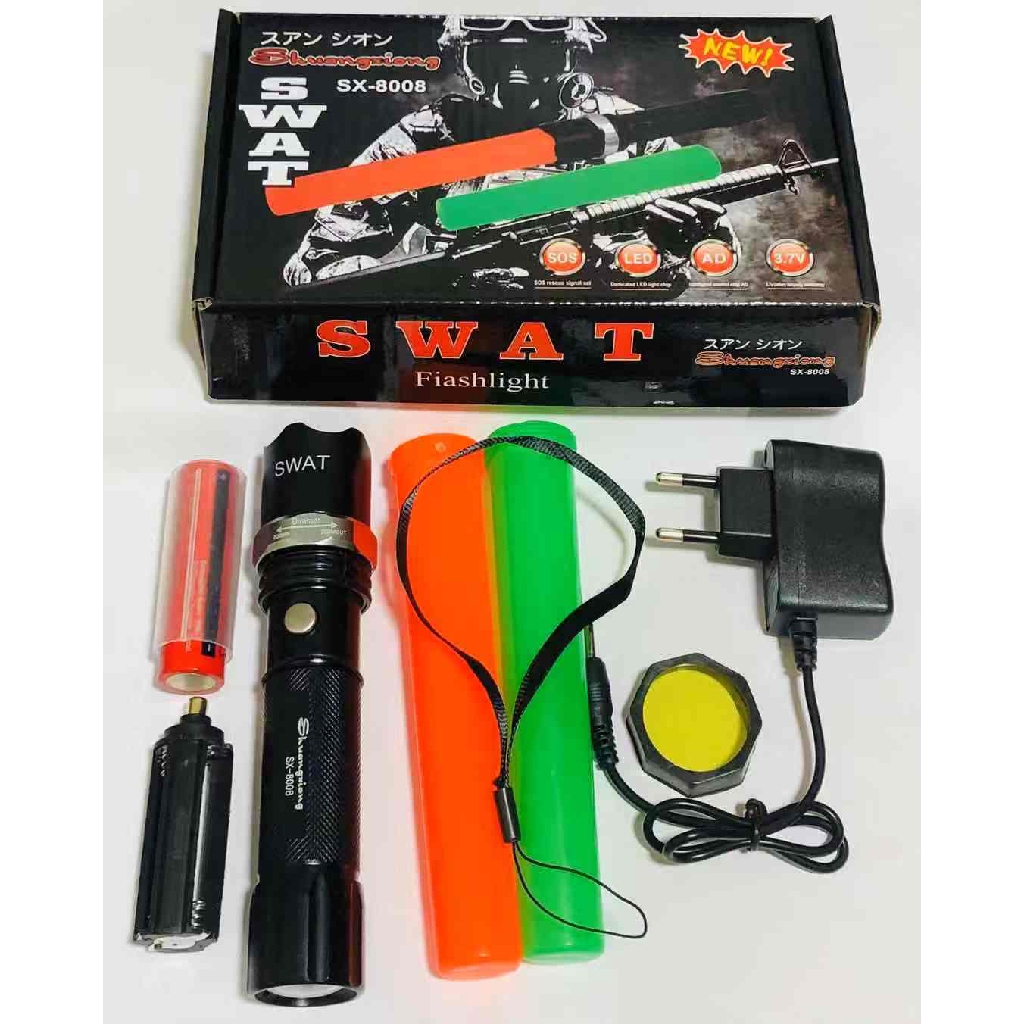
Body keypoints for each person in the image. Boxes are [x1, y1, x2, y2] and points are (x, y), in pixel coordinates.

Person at [283, 16, 737, 290]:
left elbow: (708, 254)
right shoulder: (427, 135)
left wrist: (670, 250)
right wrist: (432, 288)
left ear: (570, 62)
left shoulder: (627, 130)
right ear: (468, 66)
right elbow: (315, 263)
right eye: (493, 60)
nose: (515, 78)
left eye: (539, 59)